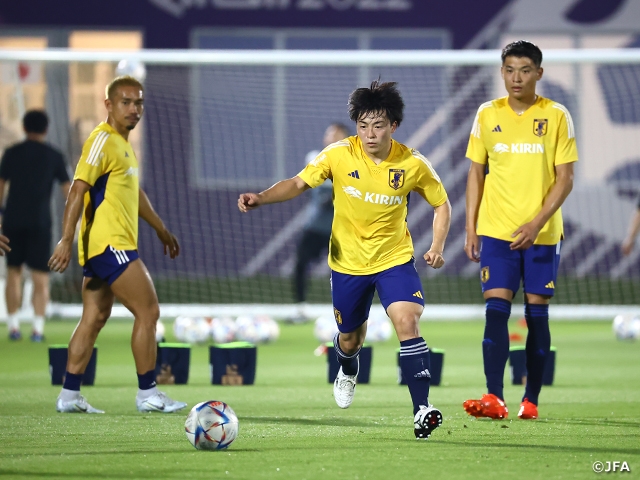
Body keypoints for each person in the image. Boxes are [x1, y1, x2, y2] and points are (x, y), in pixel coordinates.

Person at [239, 80, 452, 439]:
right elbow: (296, 183)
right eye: (363, 125)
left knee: (407, 322)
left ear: (393, 126)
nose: (370, 134)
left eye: (379, 125)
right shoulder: (338, 154)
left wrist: (437, 246)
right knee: (350, 339)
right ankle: (347, 367)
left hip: (394, 259)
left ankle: (421, 410)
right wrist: (260, 197)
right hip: (348, 264)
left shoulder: (413, 163)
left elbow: (441, 204)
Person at [48, 76, 186, 415]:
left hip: (108, 246)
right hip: (111, 244)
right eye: (125, 102)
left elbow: (134, 194)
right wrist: (66, 239)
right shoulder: (102, 140)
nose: (133, 109)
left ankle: (69, 394)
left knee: (94, 317)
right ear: (107, 104)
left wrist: (160, 229)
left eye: (138, 103)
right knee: (149, 311)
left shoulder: (124, 146)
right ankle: (148, 394)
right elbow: (77, 191)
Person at [463, 41, 578, 420]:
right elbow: (475, 173)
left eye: (525, 69)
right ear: (502, 72)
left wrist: (535, 223)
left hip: (542, 235)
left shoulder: (557, 115)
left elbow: (565, 179)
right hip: (496, 231)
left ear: (539, 73)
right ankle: (494, 397)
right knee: (496, 312)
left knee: (535, 314)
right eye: (510, 69)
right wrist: (471, 227)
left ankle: (531, 399)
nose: (517, 77)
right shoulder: (486, 114)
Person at [0, 110, 71, 342]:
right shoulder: (54, 155)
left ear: (24, 127)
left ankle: (13, 326)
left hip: (12, 221)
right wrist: (73, 221)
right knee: (41, 276)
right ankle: (38, 329)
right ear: (46, 129)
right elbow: (67, 191)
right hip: (40, 223)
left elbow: (0, 186)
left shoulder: (11, 154)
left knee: (13, 272)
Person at [291, 122, 350, 321]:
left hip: (341, 229)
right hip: (315, 226)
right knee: (300, 262)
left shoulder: (355, 164)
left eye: (337, 134)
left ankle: (352, 311)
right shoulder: (315, 158)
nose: (332, 137)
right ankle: (300, 309)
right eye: (329, 133)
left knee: (351, 271)